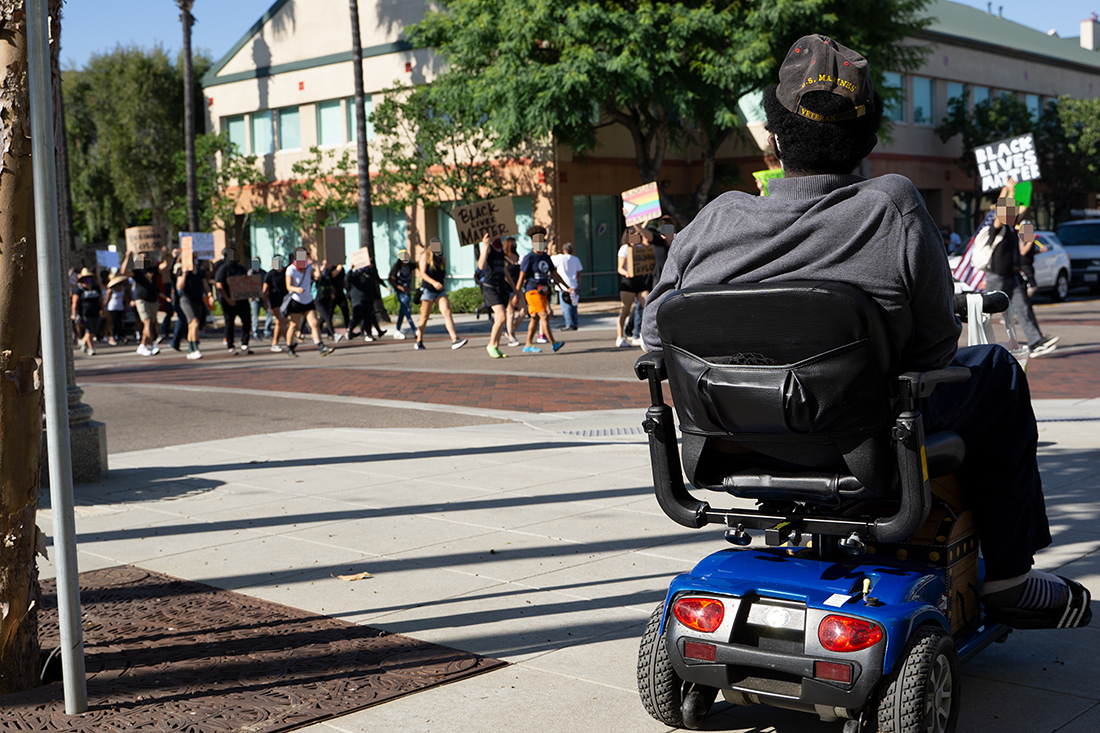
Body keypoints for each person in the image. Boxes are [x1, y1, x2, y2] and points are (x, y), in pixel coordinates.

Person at [641, 34, 1090, 630]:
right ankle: (1007, 577)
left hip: (724, 443)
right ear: (869, 140)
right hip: (863, 441)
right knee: (998, 371)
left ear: (772, 135)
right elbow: (935, 349)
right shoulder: (893, 206)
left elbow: (654, 341)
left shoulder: (716, 218)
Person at [979, 187, 1059, 357]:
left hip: (1012, 276)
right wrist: (1009, 192)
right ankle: (977, 343)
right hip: (998, 276)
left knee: (1023, 308)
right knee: (985, 311)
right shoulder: (998, 228)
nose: (1014, 212)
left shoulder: (1011, 229)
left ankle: (1036, 343)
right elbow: (999, 213)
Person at [515, 230, 570, 354]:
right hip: (532, 290)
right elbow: (521, 276)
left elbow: (554, 274)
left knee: (535, 318)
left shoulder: (545, 257)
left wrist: (565, 287)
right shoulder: (529, 258)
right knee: (544, 315)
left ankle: (527, 344)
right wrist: (517, 293)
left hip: (544, 291)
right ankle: (553, 343)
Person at [414, 237, 468, 351]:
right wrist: (434, 283)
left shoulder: (442, 259)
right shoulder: (426, 257)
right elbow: (422, 273)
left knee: (447, 312)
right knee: (425, 316)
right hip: (428, 290)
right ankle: (419, 340)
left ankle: (454, 339)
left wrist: (439, 284)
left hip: (439, 291)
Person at [284, 247, 334, 357]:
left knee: (314, 323)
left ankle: (321, 346)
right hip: (296, 301)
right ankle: (289, 347)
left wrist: (315, 263)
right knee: (293, 326)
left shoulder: (308, 267)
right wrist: (297, 289)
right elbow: (288, 286)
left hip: (308, 300)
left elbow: (318, 275)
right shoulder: (291, 269)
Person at [121, 249, 169, 356]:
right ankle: (143, 345)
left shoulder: (153, 269)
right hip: (141, 299)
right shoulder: (137, 272)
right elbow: (124, 272)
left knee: (150, 323)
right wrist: (127, 257)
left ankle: (151, 345)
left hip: (152, 299)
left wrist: (166, 255)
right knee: (147, 322)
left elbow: (165, 266)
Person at [477, 234, 517, 357]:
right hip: (490, 287)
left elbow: (504, 270)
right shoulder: (488, 247)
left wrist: (515, 288)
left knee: (501, 317)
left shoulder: (500, 248)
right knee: (500, 317)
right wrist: (485, 245)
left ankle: (496, 346)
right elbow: (481, 265)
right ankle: (491, 345)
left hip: (501, 286)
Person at [616, 228, 652, 348]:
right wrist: (626, 272)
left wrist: (642, 224)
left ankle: (645, 335)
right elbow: (619, 268)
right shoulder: (624, 249)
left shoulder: (641, 247)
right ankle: (620, 337)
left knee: (647, 306)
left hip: (640, 281)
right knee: (625, 310)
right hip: (628, 282)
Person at [214, 247, 253, 355]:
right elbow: (219, 285)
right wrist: (228, 299)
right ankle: (230, 346)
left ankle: (245, 343)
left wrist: (252, 293)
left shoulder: (241, 268)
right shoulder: (223, 269)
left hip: (242, 299)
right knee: (229, 323)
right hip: (228, 301)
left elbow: (247, 282)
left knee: (246, 321)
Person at [177, 254, 209, 360]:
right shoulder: (182, 271)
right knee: (194, 322)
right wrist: (184, 275)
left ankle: (190, 349)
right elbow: (179, 287)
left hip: (198, 300)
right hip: (186, 300)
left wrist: (209, 295)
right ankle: (195, 348)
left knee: (192, 325)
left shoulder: (200, 271)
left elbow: (205, 285)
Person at [346, 260, 387, 340]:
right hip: (358, 299)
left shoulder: (369, 274)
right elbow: (348, 279)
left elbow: (373, 286)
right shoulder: (356, 274)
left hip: (369, 298)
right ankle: (350, 329)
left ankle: (368, 334)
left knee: (368, 317)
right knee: (358, 315)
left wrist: (377, 297)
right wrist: (351, 269)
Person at [551, 242, 583, 331]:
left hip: (564, 286)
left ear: (564, 250)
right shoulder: (576, 259)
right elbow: (578, 274)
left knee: (565, 306)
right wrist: (579, 285)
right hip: (574, 284)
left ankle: (569, 323)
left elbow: (550, 260)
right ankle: (574, 322)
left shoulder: (560, 258)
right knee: (574, 305)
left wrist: (551, 247)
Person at [71, 269, 103, 356]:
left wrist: (102, 309)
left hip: (95, 312)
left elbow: (100, 300)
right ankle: (91, 348)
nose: (88, 281)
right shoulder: (79, 289)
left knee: (94, 330)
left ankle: (83, 342)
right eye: (86, 279)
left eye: (89, 279)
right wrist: (73, 313)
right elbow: (75, 302)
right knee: (90, 330)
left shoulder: (95, 287)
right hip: (85, 313)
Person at [263, 255, 290, 352]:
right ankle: (290, 342)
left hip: (286, 302)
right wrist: (265, 303)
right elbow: (264, 290)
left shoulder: (286, 272)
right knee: (283, 321)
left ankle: (274, 343)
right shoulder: (270, 274)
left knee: (279, 323)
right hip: (275, 302)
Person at [387, 249, 415, 339]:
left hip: (408, 291)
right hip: (401, 293)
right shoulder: (396, 268)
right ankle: (415, 329)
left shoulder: (410, 266)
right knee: (407, 310)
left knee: (402, 312)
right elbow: (391, 279)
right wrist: (399, 287)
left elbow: (419, 264)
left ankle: (397, 330)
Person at [503, 236, 525, 347]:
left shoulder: (518, 257)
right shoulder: (504, 259)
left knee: (523, 312)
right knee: (510, 313)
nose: (514, 246)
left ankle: (510, 330)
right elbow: (506, 276)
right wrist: (513, 288)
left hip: (518, 288)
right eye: (512, 244)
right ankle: (511, 337)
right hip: (508, 289)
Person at [105, 273, 129, 347]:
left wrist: (127, 306)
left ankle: (121, 336)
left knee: (120, 322)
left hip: (120, 307)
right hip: (112, 308)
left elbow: (125, 298)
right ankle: (112, 336)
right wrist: (103, 308)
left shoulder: (122, 288)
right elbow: (107, 300)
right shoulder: (110, 290)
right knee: (114, 323)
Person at [248, 257, 269, 341]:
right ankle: (255, 332)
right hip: (254, 298)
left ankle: (267, 331)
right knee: (255, 316)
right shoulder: (250, 272)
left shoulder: (263, 273)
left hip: (263, 296)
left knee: (269, 314)